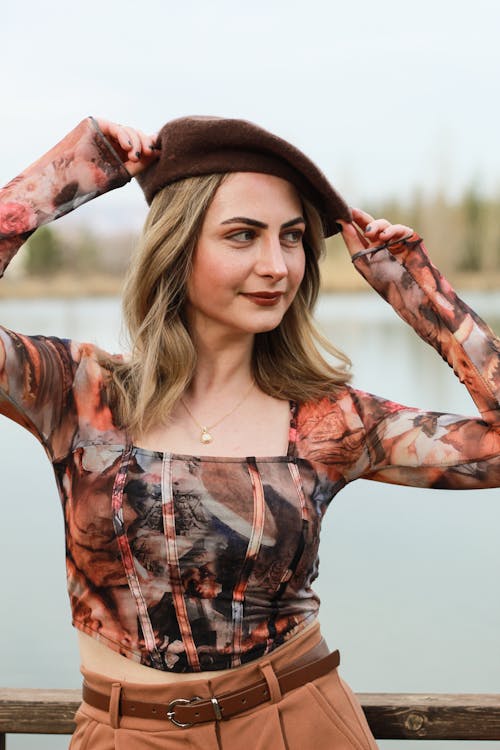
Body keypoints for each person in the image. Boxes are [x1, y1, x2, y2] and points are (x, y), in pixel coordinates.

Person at [0, 114, 499, 750]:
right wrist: (74, 169)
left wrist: (415, 288)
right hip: (128, 735)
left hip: (299, 723)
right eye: (243, 235)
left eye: (292, 238)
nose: (276, 265)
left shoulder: (330, 422)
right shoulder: (79, 393)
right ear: (176, 245)